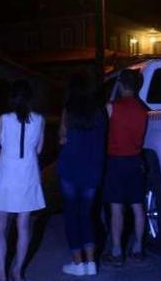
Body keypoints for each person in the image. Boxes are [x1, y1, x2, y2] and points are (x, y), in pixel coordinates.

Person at [0, 80, 46, 281]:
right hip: (28, 174)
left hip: (6, 175)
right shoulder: (39, 119)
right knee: (24, 225)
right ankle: (18, 271)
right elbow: (39, 149)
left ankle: (1, 273)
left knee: (0, 226)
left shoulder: (3, 119)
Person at [57, 74, 107, 276]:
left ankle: (78, 264)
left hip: (70, 168)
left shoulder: (68, 111)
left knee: (71, 215)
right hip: (93, 168)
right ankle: (91, 262)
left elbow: (62, 138)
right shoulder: (100, 112)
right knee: (87, 214)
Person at [101, 69, 149, 267]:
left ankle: (117, 251)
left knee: (117, 207)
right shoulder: (143, 109)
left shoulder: (111, 107)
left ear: (120, 85)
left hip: (116, 162)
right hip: (135, 160)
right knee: (138, 207)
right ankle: (137, 249)